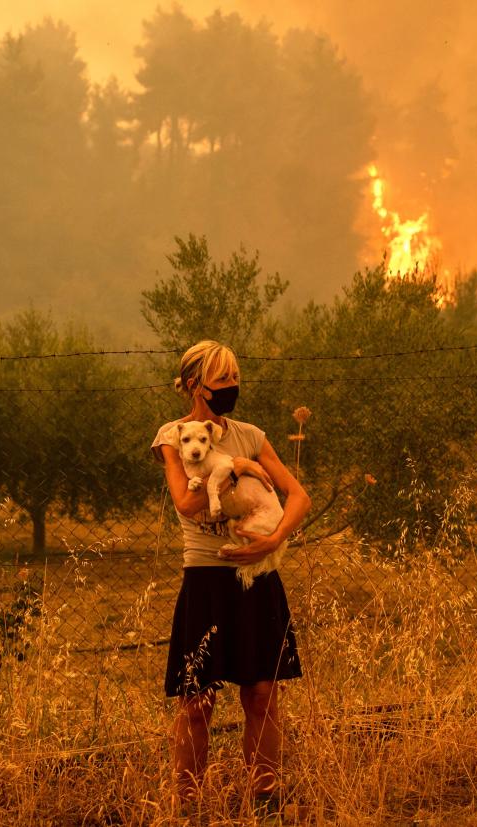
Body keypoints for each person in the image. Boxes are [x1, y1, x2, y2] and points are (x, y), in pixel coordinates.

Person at [151, 339, 311, 814]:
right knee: (197, 701)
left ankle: (266, 800)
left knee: (262, 694)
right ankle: (190, 806)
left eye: (236, 379)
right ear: (196, 385)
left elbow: (297, 495)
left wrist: (274, 538)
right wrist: (238, 469)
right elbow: (185, 502)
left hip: (258, 575)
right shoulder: (174, 436)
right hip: (205, 577)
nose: (232, 389)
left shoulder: (251, 435)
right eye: (223, 381)